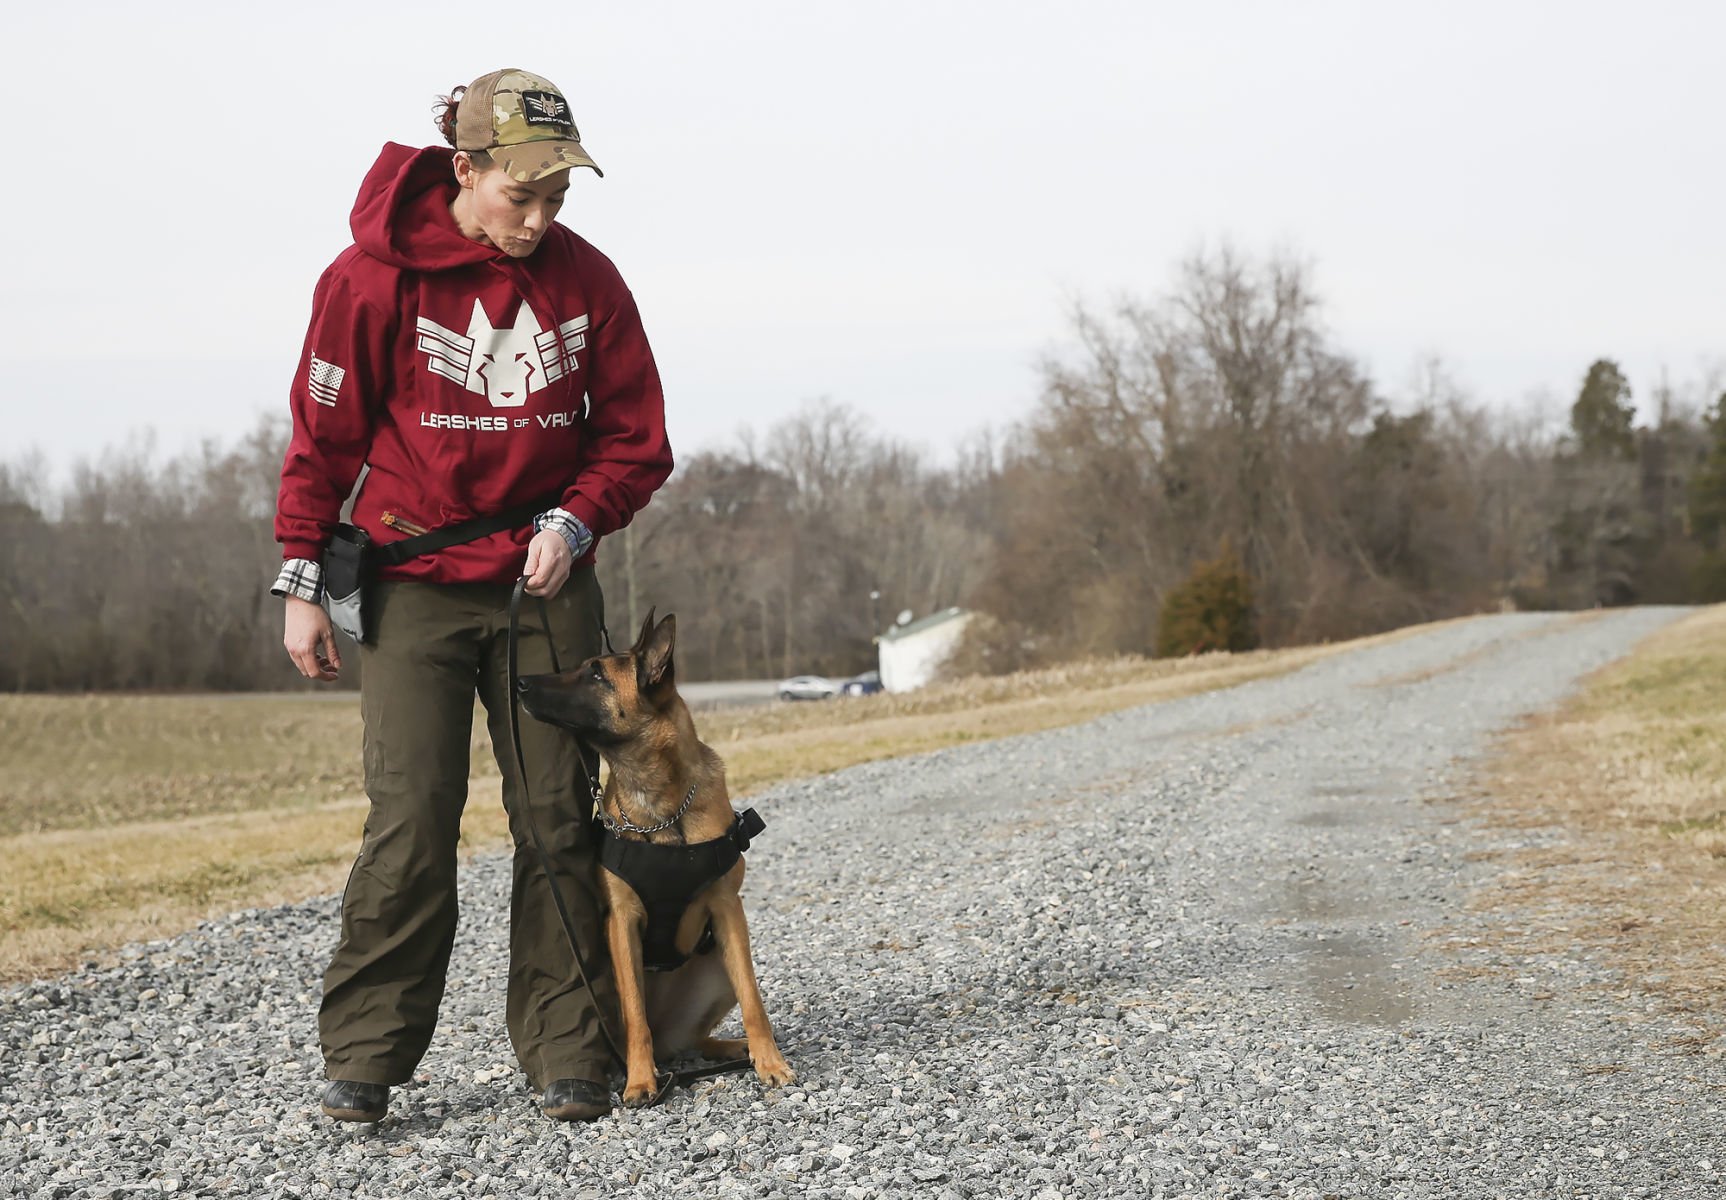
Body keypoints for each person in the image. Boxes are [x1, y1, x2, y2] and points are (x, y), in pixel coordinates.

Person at [271, 68, 673, 1124]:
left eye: (557, 200)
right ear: (466, 168)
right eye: (519, 196)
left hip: (546, 587)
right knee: (412, 817)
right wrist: (301, 580)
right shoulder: (369, 282)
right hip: (413, 585)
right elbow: (324, 440)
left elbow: (636, 441)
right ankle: (365, 1056)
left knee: (554, 818)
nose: (538, 220)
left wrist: (576, 519)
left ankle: (568, 1050)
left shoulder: (590, 285)